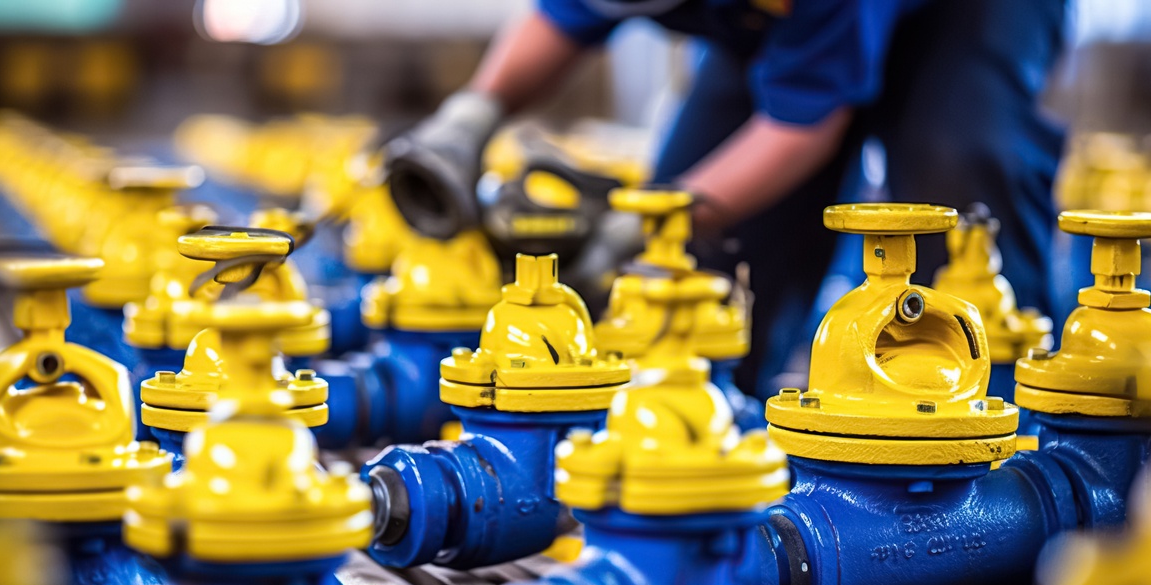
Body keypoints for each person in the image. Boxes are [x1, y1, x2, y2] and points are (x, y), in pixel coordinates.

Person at [386, 0, 1067, 400]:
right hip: (780, 21)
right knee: (698, 266)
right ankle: (716, 430)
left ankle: (1013, 452)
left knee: (960, 157)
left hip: (972, 13)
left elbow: (801, 127)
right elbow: (566, 16)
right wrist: (471, 115)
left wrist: (640, 225)